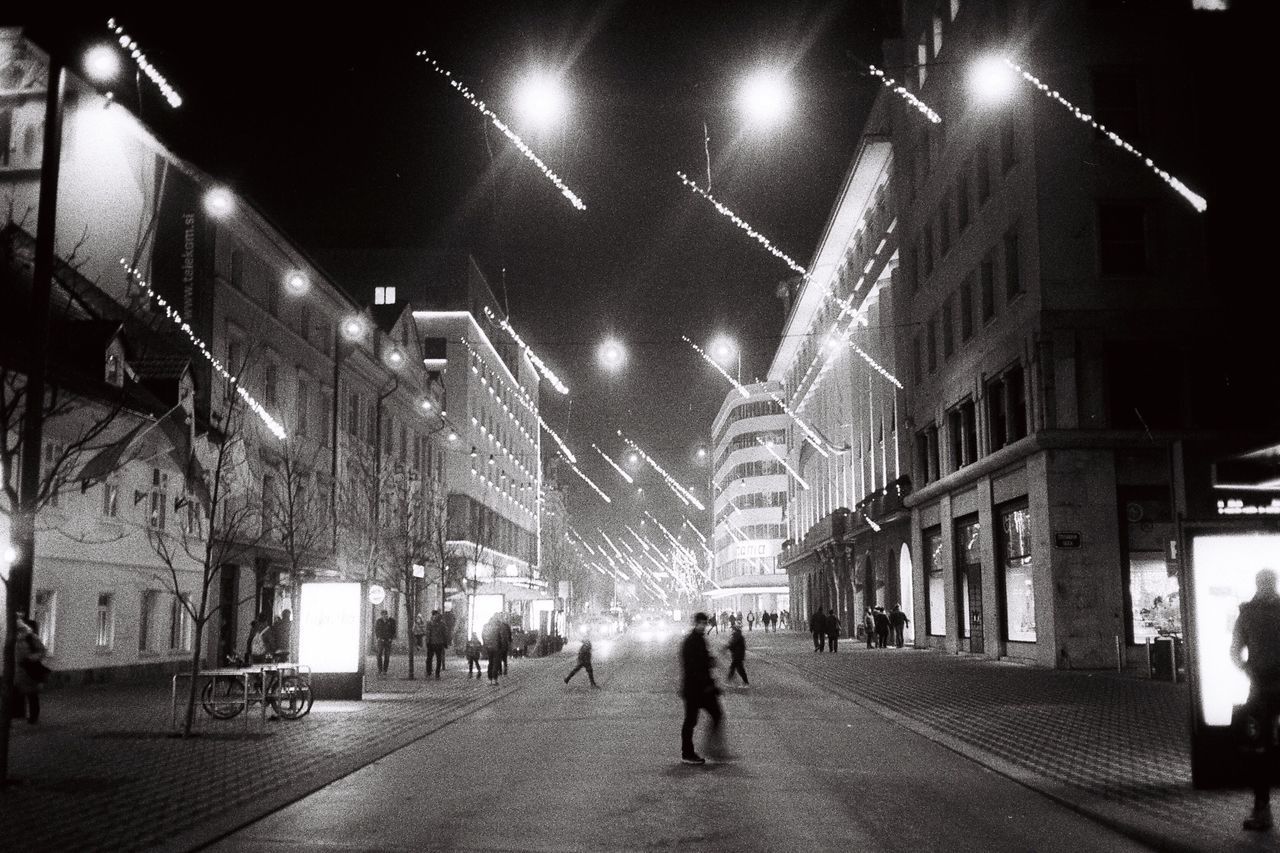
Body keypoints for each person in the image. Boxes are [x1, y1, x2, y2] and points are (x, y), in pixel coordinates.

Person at [1231, 568, 1280, 831]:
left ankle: (1262, 811)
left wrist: (1250, 669)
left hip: (1260, 689)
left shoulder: (1247, 613)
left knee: (1260, 749)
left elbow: (1235, 651)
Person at [679, 612, 722, 765]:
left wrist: (710, 662)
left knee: (717, 714)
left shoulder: (700, 640)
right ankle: (688, 753)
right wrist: (708, 683)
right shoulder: (690, 642)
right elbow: (693, 667)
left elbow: (703, 662)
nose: (703, 626)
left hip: (702, 688)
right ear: (695, 623)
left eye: (705, 623)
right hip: (694, 690)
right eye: (701, 623)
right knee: (690, 721)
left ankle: (712, 747)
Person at [13, 617, 47, 724]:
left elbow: (42, 651)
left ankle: (33, 717)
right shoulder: (13, 639)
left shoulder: (31, 638)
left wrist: (32, 658)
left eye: (20, 629)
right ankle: (18, 714)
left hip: (30, 671)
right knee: (18, 693)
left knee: (32, 695)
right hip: (18, 671)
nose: (19, 631)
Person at [426, 609, 450, 679]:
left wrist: (427, 642)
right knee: (439, 658)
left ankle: (429, 671)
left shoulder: (429, 623)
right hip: (439, 643)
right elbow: (445, 634)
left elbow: (428, 633)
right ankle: (437, 673)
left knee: (429, 658)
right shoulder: (442, 624)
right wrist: (445, 642)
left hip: (431, 643)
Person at [374, 609, 396, 675]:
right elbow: (376, 630)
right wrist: (378, 638)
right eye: (383, 615)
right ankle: (380, 669)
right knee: (379, 654)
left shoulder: (391, 621)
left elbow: (393, 630)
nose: (384, 616)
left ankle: (385, 670)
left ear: (387, 615)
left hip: (388, 640)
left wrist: (391, 638)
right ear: (381, 615)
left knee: (387, 655)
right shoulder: (379, 621)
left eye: (385, 615)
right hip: (381, 640)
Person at [482, 615, 502, 684]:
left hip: (488, 647)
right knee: (495, 663)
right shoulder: (497, 627)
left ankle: (489, 679)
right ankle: (494, 679)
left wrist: (485, 645)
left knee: (490, 662)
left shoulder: (485, 627)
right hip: (496, 647)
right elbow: (500, 638)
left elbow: (483, 636)